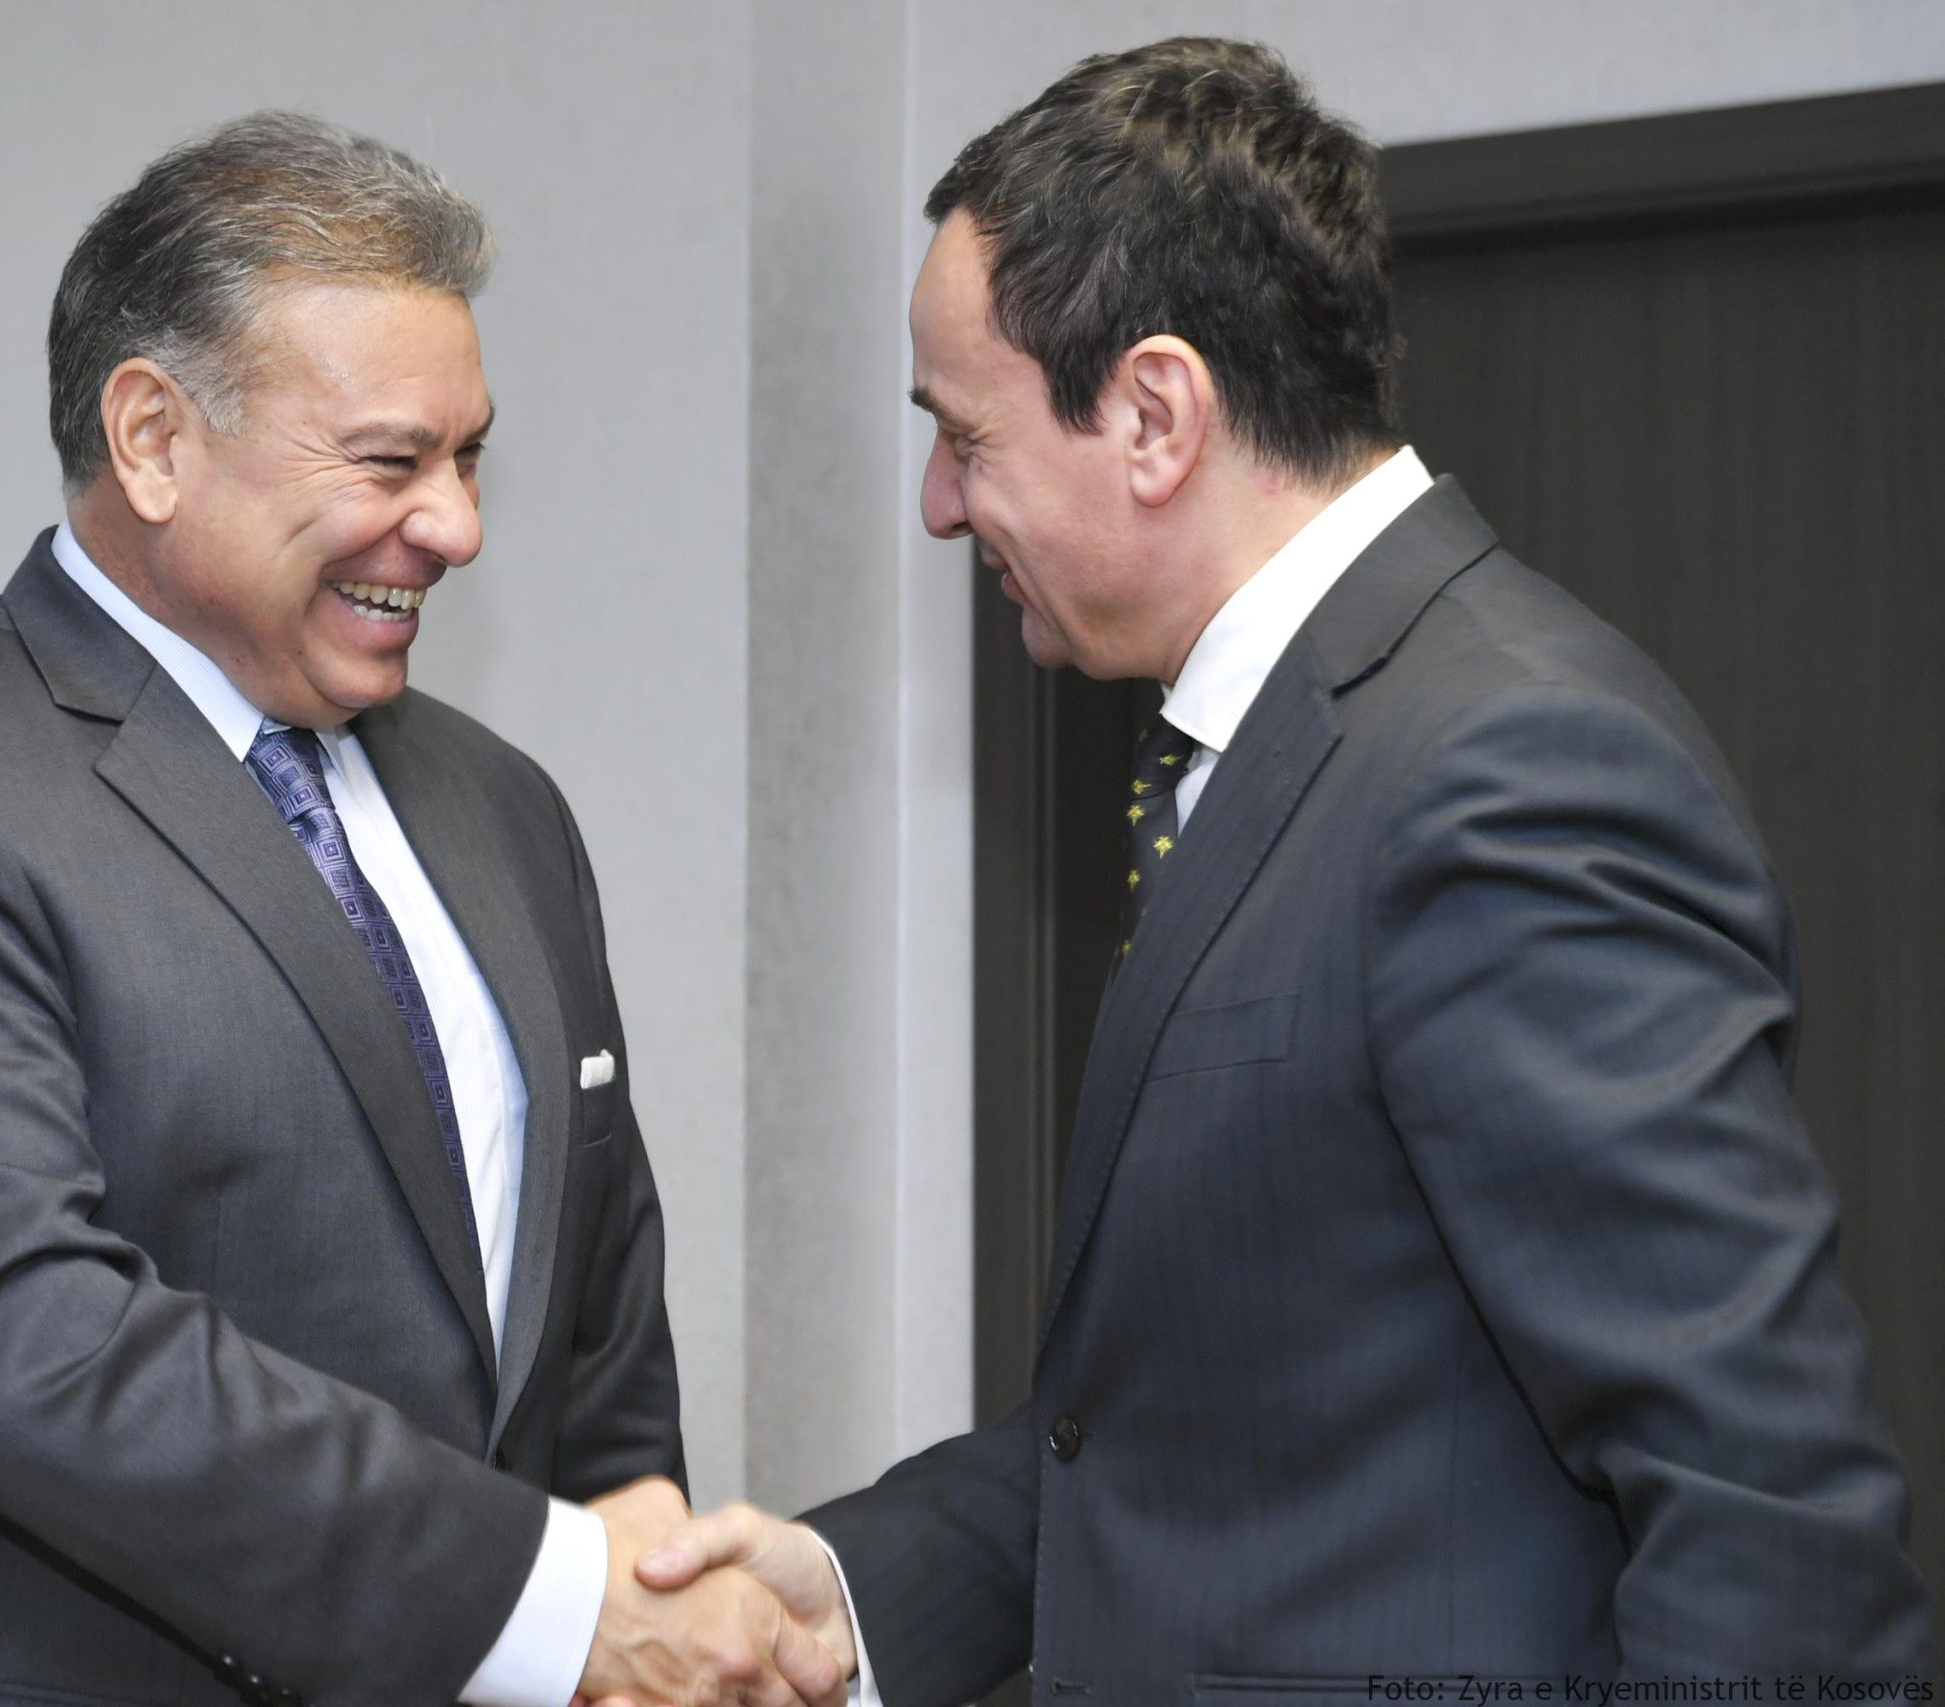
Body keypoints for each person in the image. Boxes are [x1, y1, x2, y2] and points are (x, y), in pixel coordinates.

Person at [631, 37, 1934, 1704]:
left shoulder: (1504, 772)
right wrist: (845, 1599)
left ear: (1155, 414)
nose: (945, 506)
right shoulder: (1284, 748)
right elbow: (1189, 1426)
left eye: (964, 436)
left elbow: (1772, 1519)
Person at [0, 114, 840, 1707]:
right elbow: (23, 1343)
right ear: (153, 438)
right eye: (390, 462)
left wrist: (639, 1612)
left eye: (469, 457)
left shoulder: (503, 810)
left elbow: (595, 1351)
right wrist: (554, 1601)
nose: (457, 525)